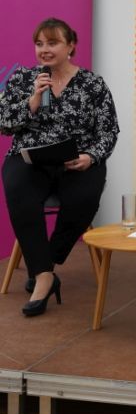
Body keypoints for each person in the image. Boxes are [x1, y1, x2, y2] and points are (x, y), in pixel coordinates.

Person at [0, 17, 119, 317]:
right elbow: (4, 124)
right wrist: (33, 100)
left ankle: (46, 265)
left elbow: (108, 130)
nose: (44, 50)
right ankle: (42, 278)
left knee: (84, 198)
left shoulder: (92, 84)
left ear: (71, 46)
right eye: (39, 44)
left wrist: (91, 156)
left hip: (75, 161)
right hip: (31, 160)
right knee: (18, 189)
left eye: (52, 43)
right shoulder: (23, 80)